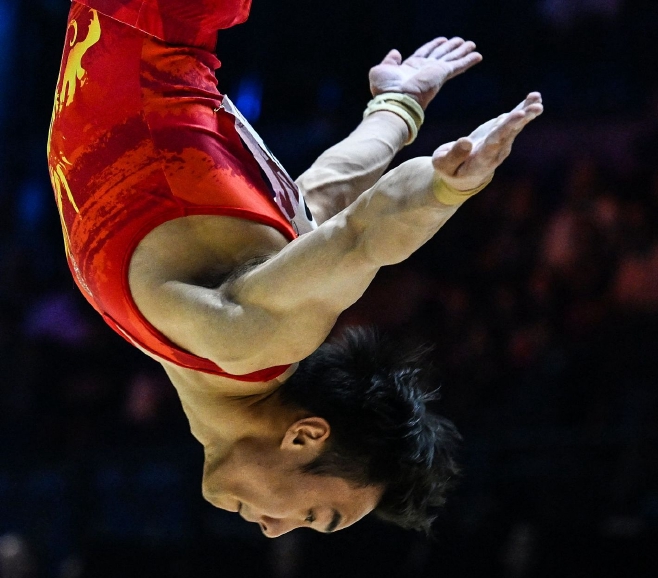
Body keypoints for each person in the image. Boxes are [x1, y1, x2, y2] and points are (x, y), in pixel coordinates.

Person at [47, 0, 543, 537]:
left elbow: (325, 196)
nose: (273, 530)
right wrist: (446, 188)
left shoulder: (225, 338)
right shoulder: (254, 341)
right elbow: (360, 237)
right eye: (313, 515)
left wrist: (398, 106)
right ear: (305, 437)